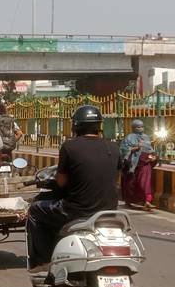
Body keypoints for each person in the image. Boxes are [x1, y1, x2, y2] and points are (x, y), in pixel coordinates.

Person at [26, 105, 120, 271]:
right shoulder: (113, 147)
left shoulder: (70, 147)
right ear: (99, 125)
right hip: (109, 211)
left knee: (35, 210)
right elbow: (116, 178)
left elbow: (61, 182)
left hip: (76, 211)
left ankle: (43, 261)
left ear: (76, 125)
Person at [119, 119, 159, 210]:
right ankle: (129, 200)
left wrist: (153, 156)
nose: (141, 129)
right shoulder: (129, 137)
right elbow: (123, 150)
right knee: (130, 183)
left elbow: (150, 149)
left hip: (145, 163)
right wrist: (136, 147)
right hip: (133, 165)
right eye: (138, 127)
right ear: (133, 128)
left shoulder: (146, 137)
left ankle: (147, 201)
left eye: (142, 127)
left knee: (145, 182)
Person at [0, 98, 23, 163]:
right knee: (9, 167)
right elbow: (20, 133)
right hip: (8, 150)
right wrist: (12, 141)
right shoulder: (10, 120)